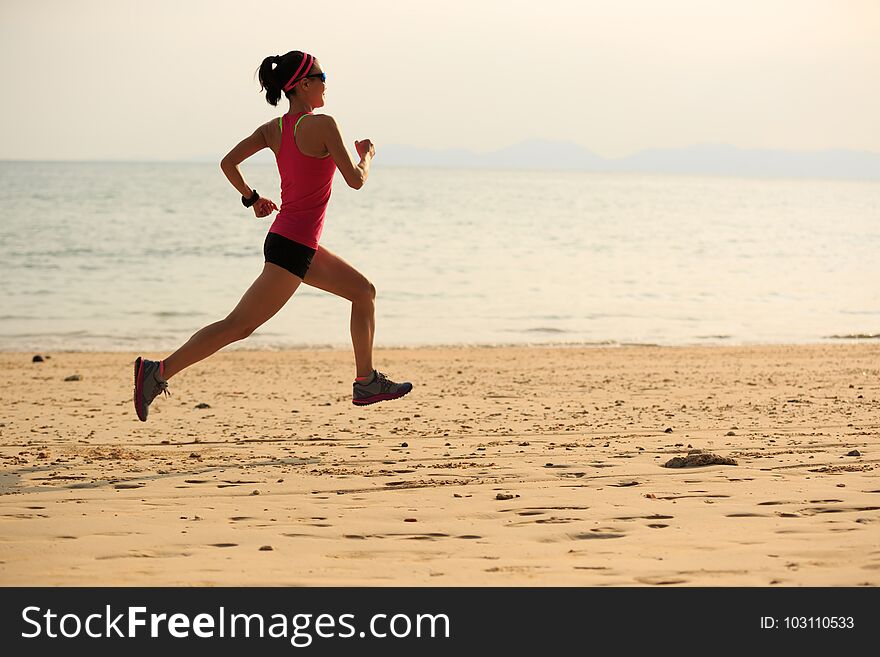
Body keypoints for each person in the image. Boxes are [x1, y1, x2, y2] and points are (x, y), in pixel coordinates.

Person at [133, 50, 412, 421]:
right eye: (321, 75)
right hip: (292, 247)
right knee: (238, 326)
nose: (326, 82)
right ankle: (158, 371)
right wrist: (367, 154)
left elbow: (227, 162)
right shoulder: (325, 124)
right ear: (302, 84)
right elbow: (356, 181)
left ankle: (366, 381)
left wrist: (252, 199)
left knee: (363, 292)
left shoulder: (273, 129)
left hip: (296, 243)